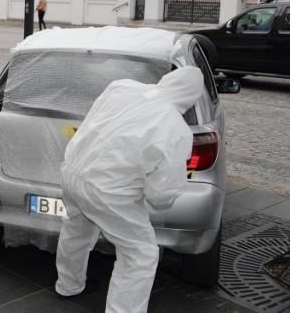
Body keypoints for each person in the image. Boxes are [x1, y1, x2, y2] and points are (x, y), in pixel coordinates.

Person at [54, 67, 204, 313]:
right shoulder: (176, 129)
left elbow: (94, 121)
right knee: (140, 254)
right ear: (191, 98)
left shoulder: (122, 86)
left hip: (73, 171)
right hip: (109, 192)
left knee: (76, 230)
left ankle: (68, 286)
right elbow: (161, 194)